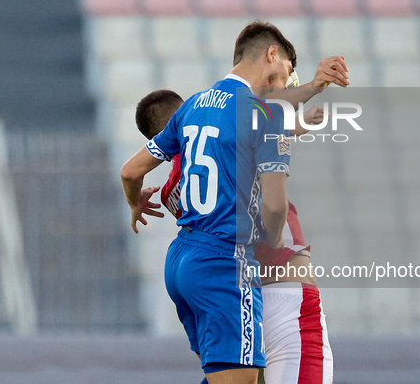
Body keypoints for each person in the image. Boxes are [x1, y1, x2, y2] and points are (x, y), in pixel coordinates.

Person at [134, 53, 348, 383]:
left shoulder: (171, 189)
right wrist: (311, 90)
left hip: (222, 288)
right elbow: (258, 117)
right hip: (279, 284)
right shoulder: (231, 124)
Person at [121, 21, 297, 384]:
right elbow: (276, 207)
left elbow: (129, 171)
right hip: (226, 264)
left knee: (244, 373)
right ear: (271, 55)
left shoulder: (194, 106)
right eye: (288, 71)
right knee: (241, 376)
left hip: (183, 260)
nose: (288, 82)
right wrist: (272, 247)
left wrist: (135, 201)